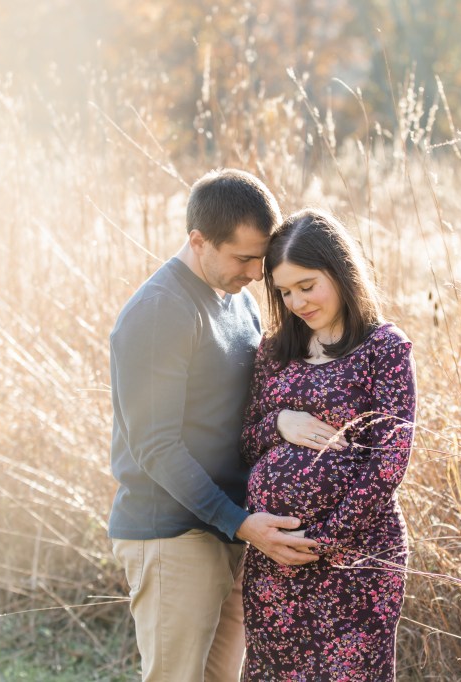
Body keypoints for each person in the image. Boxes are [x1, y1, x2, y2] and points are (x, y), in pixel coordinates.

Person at [107, 169, 319, 682]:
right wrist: (238, 522)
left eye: (259, 259)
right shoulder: (161, 311)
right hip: (174, 535)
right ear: (198, 241)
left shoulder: (238, 299)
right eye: (242, 258)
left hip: (230, 529)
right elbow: (155, 446)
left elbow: (240, 409)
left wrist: (281, 422)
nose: (255, 273)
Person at [240, 208, 416, 680]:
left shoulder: (384, 348)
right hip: (275, 559)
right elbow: (246, 443)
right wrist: (280, 422)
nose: (296, 301)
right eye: (285, 291)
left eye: (307, 285)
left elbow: (389, 461)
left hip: (356, 556)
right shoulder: (275, 350)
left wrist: (324, 539)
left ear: (339, 272)